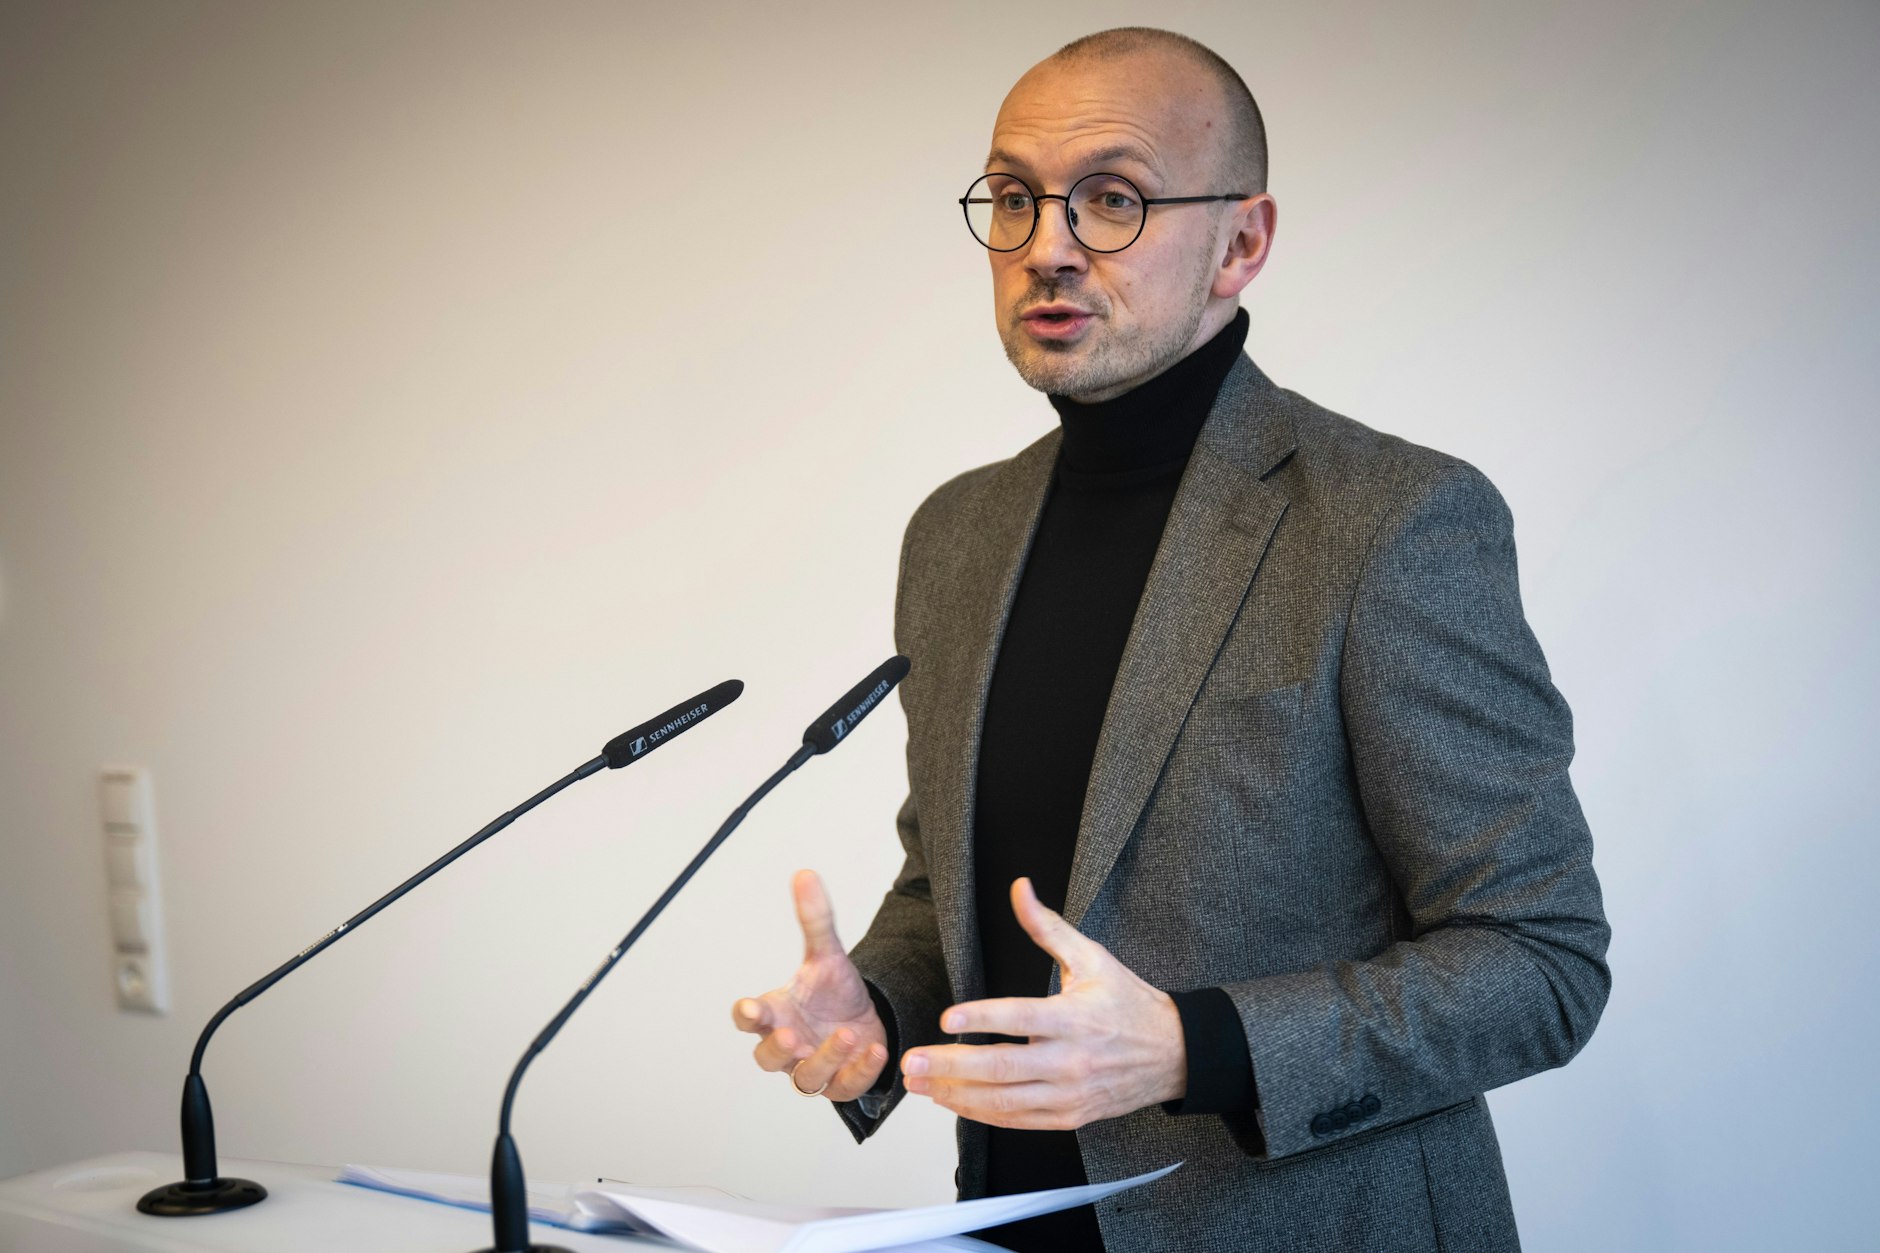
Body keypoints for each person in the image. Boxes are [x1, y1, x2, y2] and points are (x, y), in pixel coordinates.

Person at [731, 25, 1610, 1253]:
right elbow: (961, 885)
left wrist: (1192, 1046)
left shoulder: (1392, 519)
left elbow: (1539, 960)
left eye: (1112, 199)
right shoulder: (954, 532)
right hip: (1010, 1224)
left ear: (1240, 243)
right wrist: (876, 1002)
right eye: (1015, 198)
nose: (1046, 246)